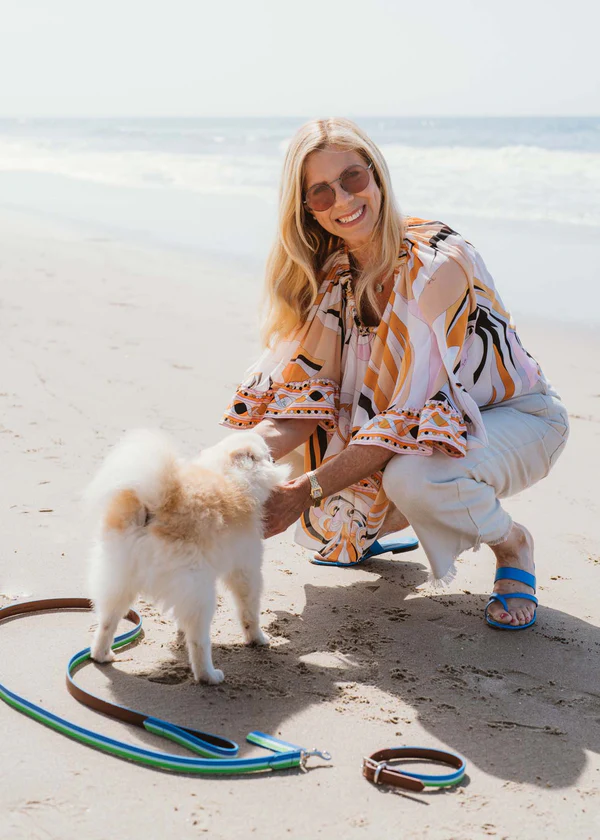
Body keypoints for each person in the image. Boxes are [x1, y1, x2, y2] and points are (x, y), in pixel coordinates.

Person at [221, 118, 569, 630]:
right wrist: (221, 467)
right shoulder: (335, 275)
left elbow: (407, 420)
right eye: (322, 192)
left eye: (352, 178)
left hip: (516, 418)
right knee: (290, 455)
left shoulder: (439, 265)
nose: (343, 200)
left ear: (377, 175)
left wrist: (305, 493)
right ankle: (375, 525)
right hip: (423, 431)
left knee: (416, 478)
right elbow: (301, 405)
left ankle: (513, 545)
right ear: (307, 209)